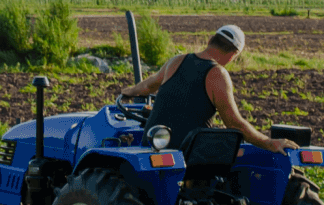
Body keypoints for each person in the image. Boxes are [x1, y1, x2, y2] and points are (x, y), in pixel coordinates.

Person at [118, 24, 298, 154]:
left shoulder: (176, 61)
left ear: (211, 39)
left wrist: (129, 91)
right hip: (189, 155)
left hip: (154, 148)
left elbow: (148, 86)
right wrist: (269, 143)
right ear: (233, 55)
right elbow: (234, 123)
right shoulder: (217, 74)